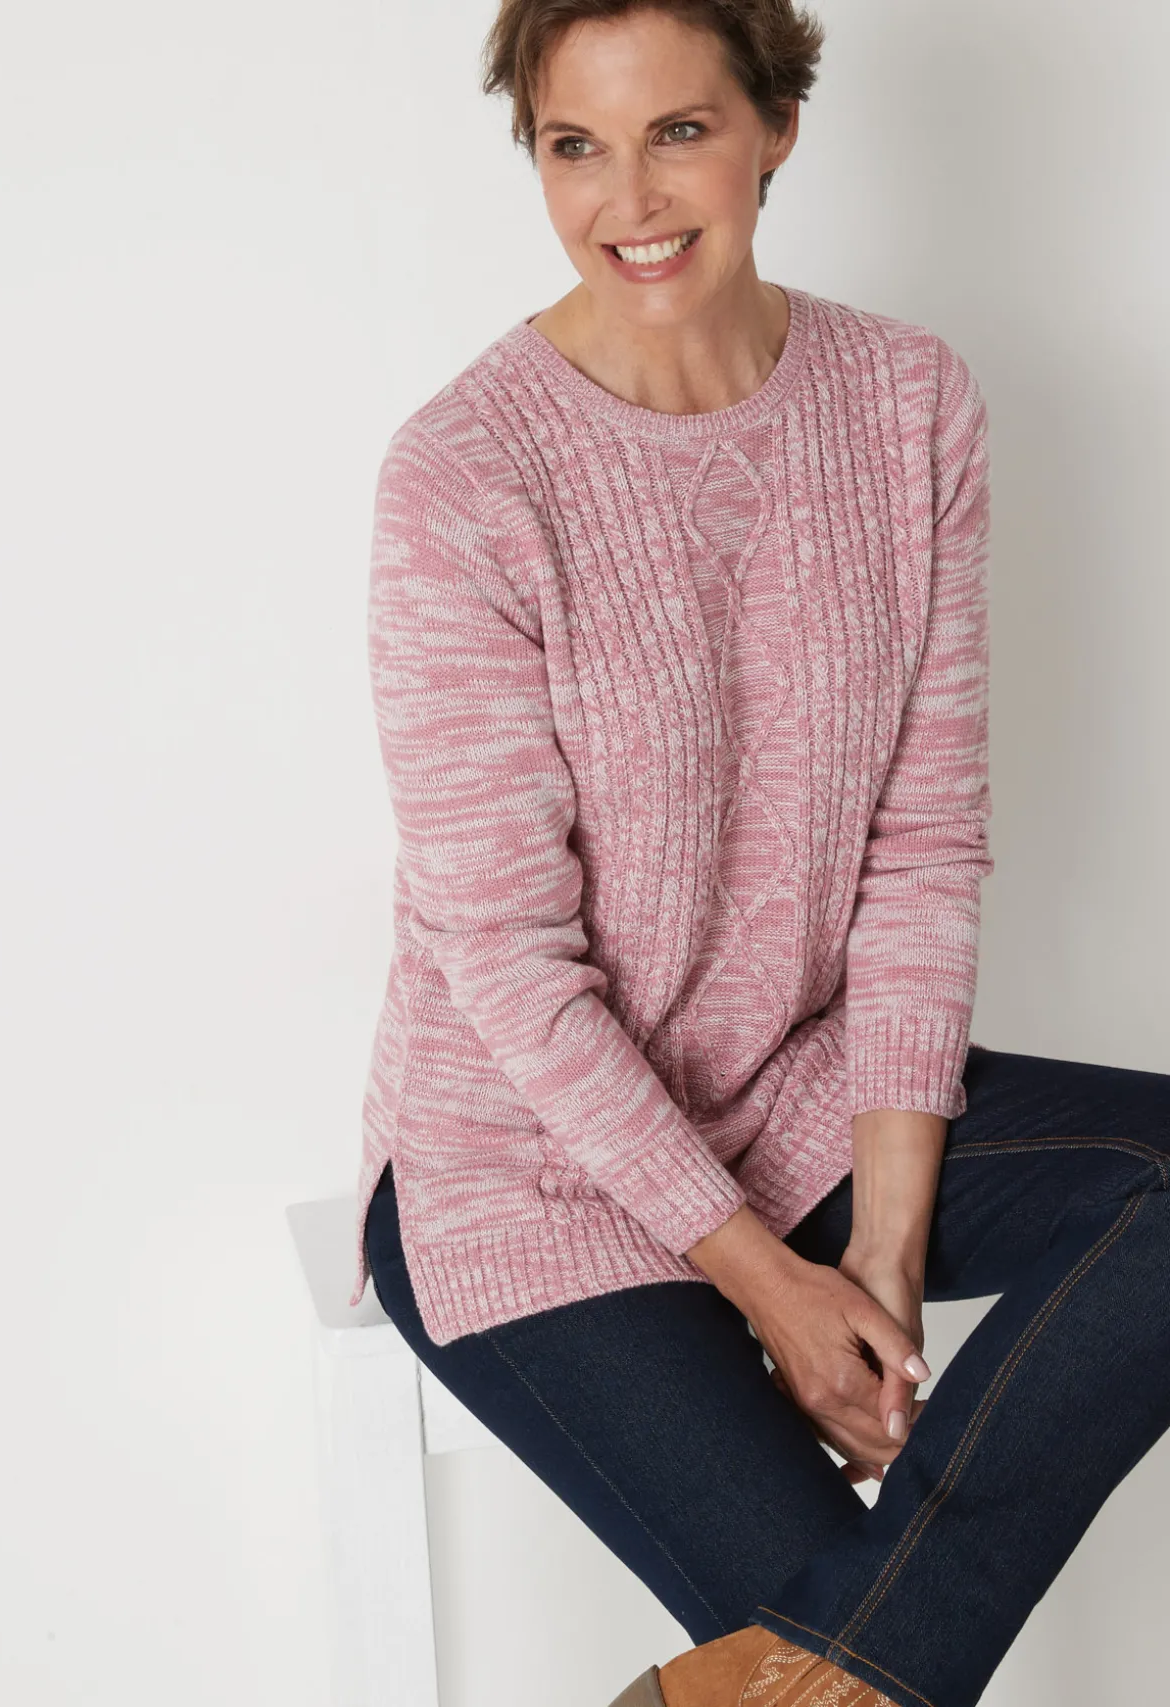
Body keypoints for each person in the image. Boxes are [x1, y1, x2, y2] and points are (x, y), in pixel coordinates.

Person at [348, 4, 1170, 1705]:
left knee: (842, 1659)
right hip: (525, 1172)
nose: (629, 198)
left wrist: (881, 1245)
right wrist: (772, 1291)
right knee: (862, 1658)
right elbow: (508, 963)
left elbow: (920, 848)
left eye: (681, 130)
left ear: (776, 124)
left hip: (796, 1096)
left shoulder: (906, 402)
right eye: (575, 145)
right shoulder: (463, 478)